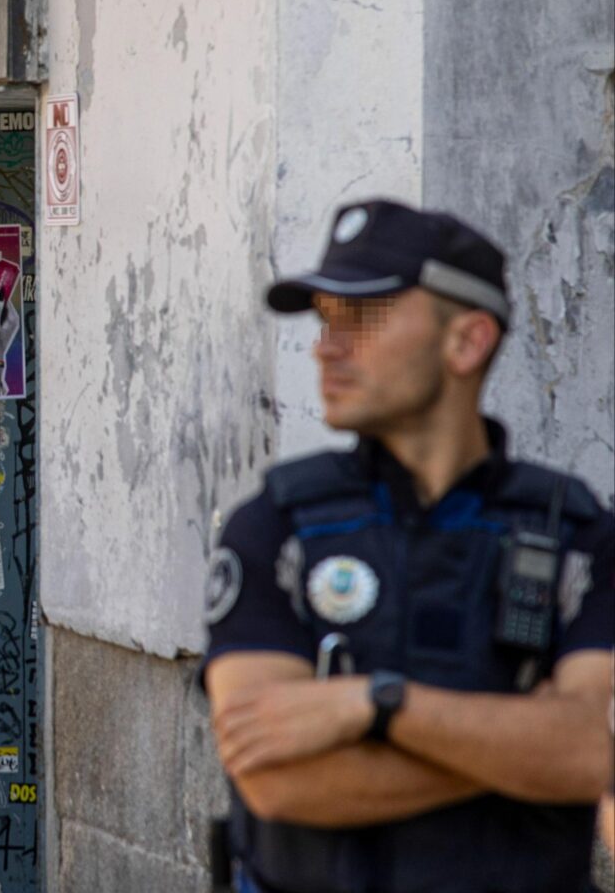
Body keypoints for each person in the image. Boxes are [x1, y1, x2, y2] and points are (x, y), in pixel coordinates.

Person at [202, 200, 614, 893]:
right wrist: (515, 750)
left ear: (467, 341)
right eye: (326, 320)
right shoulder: (277, 529)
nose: (326, 346)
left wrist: (373, 705)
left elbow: (585, 757)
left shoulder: (577, 537)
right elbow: (276, 781)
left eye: (362, 318)